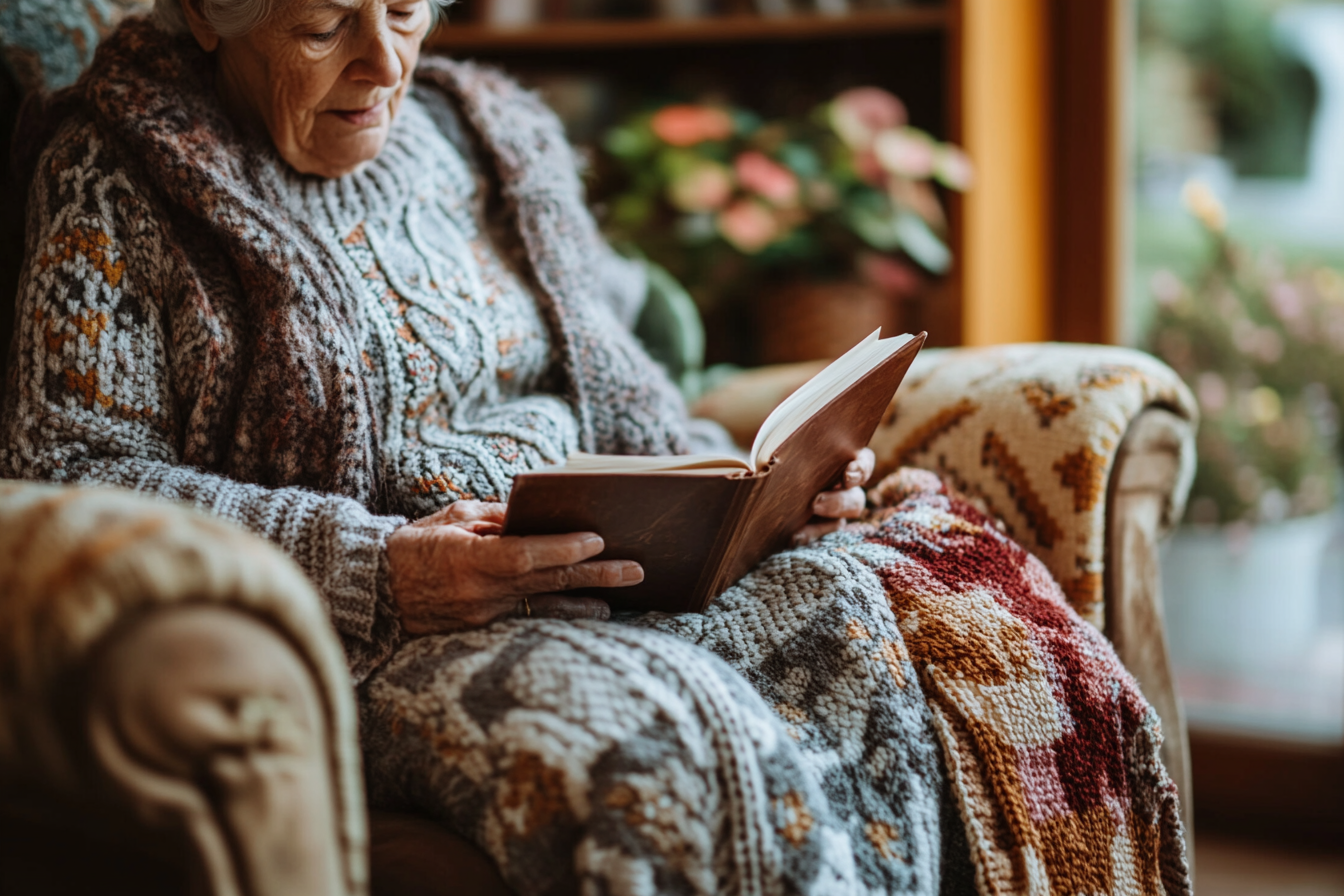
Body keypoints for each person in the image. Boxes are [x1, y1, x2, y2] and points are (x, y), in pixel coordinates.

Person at [0, 0, 949, 892]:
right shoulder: (110, 172)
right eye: (327, 26)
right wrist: (381, 571)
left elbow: (622, 394)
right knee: (655, 737)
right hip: (393, 631)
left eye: (406, 11)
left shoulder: (485, 134)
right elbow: (69, 471)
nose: (383, 63)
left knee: (900, 604)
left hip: (614, 572)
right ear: (212, 15)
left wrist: (762, 491)